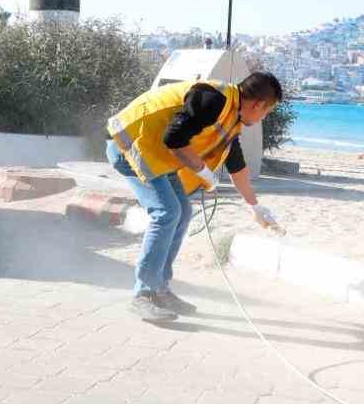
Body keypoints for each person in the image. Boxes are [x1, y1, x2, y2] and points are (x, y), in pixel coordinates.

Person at [106, 72, 284, 322]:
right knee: (167, 213)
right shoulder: (213, 100)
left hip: (156, 156)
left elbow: (236, 165)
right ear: (258, 104)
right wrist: (203, 171)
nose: (263, 117)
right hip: (131, 147)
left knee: (183, 213)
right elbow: (174, 138)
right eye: (267, 112)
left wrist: (255, 207)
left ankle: (160, 289)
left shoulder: (231, 117)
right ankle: (143, 294)